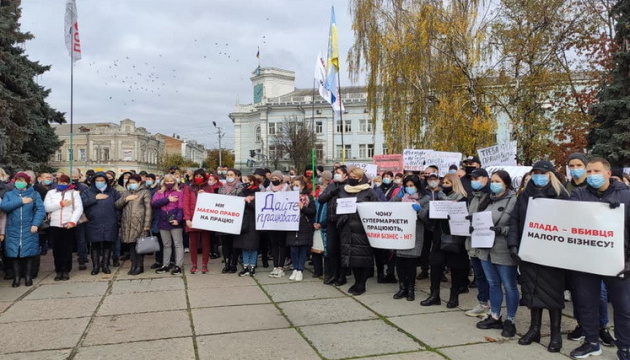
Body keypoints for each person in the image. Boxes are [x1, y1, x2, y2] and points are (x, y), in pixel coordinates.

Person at [569, 158, 630, 359]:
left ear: (608, 173)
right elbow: (570, 220)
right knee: (587, 304)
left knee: (623, 308)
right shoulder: (578, 194)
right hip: (587, 260)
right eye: (589, 171)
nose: (592, 174)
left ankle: (625, 347)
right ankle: (591, 342)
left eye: (596, 170)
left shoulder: (626, 196)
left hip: (618, 262)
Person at [509, 160, 569, 353]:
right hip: (529, 252)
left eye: (542, 172)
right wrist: (513, 244)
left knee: (553, 295)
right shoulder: (524, 195)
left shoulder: (562, 195)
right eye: (535, 173)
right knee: (531, 291)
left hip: (552, 255)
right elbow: (515, 220)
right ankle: (534, 329)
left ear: (550, 174)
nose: (538, 176)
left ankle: (555, 334)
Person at [474, 170, 519, 338]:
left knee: (509, 286)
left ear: (506, 183)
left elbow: (517, 226)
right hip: (486, 249)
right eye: (492, 181)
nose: (494, 184)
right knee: (493, 283)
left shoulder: (514, 200)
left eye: (497, 181)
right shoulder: (488, 200)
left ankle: (511, 320)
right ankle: (494, 315)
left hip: (503, 249)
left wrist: (502, 230)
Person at [421, 173, 469, 307]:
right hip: (439, 237)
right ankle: (434, 295)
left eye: (448, 183)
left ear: (455, 184)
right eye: (444, 183)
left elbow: (465, 218)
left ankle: (454, 296)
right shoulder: (438, 199)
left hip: (455, 239)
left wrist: (453, 208)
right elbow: (429, 219)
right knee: (435, 266)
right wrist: (432, 210)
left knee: (455, 269)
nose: (444, 185)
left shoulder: (463, 199)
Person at [337, 167, 380, 295]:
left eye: (354, 177)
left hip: (363, 230)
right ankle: (356, 282)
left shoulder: (369, 191)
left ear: (361, 178)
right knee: (353, 259)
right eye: (350, 176)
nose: (352, 179)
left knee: (364, 258)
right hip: (347, 229)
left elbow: (377, 208)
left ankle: (362, 284)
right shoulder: (344, 190)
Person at [0, 172, 45, 287]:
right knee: (14, 254)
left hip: (29, 228)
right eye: (18, 180)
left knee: (29, 253)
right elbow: (4, 206)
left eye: (22, 181)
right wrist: (21, 201)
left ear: (28, 182)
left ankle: (28, 277)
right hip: (13, 228)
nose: (20, 183)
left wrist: (35, 224)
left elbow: (40, 210)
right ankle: (16, 277)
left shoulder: (34, 194)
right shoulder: (9, 194)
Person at [391, 175, 429, 301]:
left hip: (415, 233)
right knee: (400, 262)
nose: (409, 188)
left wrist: (419, 210)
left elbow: (426, 218)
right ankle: (402, 287)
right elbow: (389, 207)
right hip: (401, 233)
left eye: (411, 186)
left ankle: (411, 288)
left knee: (411, 263)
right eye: (407, 186)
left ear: (417, 186)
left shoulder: (426, 198)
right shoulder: (402, 197)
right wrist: (398, 196)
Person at [43, 175, 83, 281]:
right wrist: (61, 204)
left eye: (64, 183)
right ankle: (58, 269)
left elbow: (78, 208)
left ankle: (66, 270)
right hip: (55, 225)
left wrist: (72, 221)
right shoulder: (51, 193)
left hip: (68, 224)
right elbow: (46, 207)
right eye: (60, 182)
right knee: (56, 249)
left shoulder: (74, 193)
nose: (62, 184)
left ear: (68, 183)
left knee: (67, 249)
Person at [81, 172, 121, 275]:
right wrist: (95, 198)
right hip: (93, 222)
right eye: (97, 181)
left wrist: (116, 217)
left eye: (102, 181)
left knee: (108, 244)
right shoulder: (88, 192)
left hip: (110, 222)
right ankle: (96, 267)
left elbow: (119, 204)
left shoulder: (113, 191)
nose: (100, 182)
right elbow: (82, 203)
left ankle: (105, 265)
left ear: (106, 181)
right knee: (95, 244)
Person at [465, 168, 492, 317]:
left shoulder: (490, 196)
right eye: (472, 179)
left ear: (485, 179)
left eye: (477, 178)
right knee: (479, 275)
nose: (474, 181)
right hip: (473, 241)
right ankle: (482, 303)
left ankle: (491, 306)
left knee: (488, 276)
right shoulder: (473, 197)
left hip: (485, 242)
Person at [115, 174, 152, 275]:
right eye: (130, 183)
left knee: (140, 245)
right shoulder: (126, 192)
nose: (132, 184)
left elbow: (148, 209)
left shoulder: (145, 192)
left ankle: (139, 266)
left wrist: (147, 224)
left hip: (139, 222)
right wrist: (126, 199)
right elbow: (117, 205)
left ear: (139, 182)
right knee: (131, 245)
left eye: (134, 182)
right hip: (127, 223)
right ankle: (133, 265)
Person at [318, 166, 349, 286]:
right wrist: (332, 193)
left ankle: (342, 276)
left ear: (345, 175)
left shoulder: (348, 186)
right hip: (331, 220)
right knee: (331, 249)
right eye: (335, 173)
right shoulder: (331, 186)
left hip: (342, 221)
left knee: (341, 249)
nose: (336, 174)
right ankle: (333, 274)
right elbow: (321, 199)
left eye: (339, 173)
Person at [152, 174, 185, 275]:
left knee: (178, 244)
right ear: (164, 182)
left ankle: (178, 265)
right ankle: (165, 265)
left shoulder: (179, 192)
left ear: (175, 182)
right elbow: (154, 204)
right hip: (163, 221)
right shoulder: (159, 192)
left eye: (172, 181)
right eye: (167, 181)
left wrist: (178, 220)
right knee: (166, 245)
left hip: (174, 220)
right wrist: (167, 199)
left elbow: (181, 208)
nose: (169, 183)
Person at [183, 169, 214, 274]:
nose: (199, 178)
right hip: (192, 218)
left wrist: (205, 194)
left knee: (206, 243)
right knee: (194, 243)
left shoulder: (209, 188)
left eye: (201, 176)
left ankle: (204, 264)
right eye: (197, 176)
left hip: (205, 218)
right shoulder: (189, 188)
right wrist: (187, 218)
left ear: (204, 177)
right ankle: (194, 264)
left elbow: (213, 203)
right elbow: (186, 204)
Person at [286, 177, 315, 281]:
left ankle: (300, 269)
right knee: (293, 249)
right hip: (291, 225)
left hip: (304, 226)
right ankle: (295, 268)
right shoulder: (287, 197)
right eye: (293, 185)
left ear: (302, 186)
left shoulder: (309, 198)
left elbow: (312, 211)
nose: (295, 187)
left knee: (302, 249)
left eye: (297, 185)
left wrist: (303, 208)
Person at [218, 169, 243, 273]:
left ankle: (234, 263)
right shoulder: (222, 188)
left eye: (231, 175)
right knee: (225, 243)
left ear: (237, 176)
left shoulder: (241, 188)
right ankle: (227, 263)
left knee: (234, 243)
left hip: (235, 219)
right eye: (228, 175)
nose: (229, 176)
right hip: (224, 219)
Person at [234, 175, 261, 276]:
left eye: (246, 180)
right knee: (244, 246)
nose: (244, 182)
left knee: (253, 246)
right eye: (243, 180)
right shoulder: (241, 193)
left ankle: (252, 266)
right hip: (244, 222)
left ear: (253, 182)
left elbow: (258, 208)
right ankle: (245, 266)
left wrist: (249, 202)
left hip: (253, 222)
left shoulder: (258, 193)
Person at [267, 170, 291, 278]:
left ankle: (281, 266)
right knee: (274, 245)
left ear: (281, 179)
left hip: (283, 221)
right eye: (272, 178)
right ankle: (275, 266)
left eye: (276, 178)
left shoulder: (287, 188)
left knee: (282, 245)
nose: (274, 180)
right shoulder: (267, 189)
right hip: (272, 222)